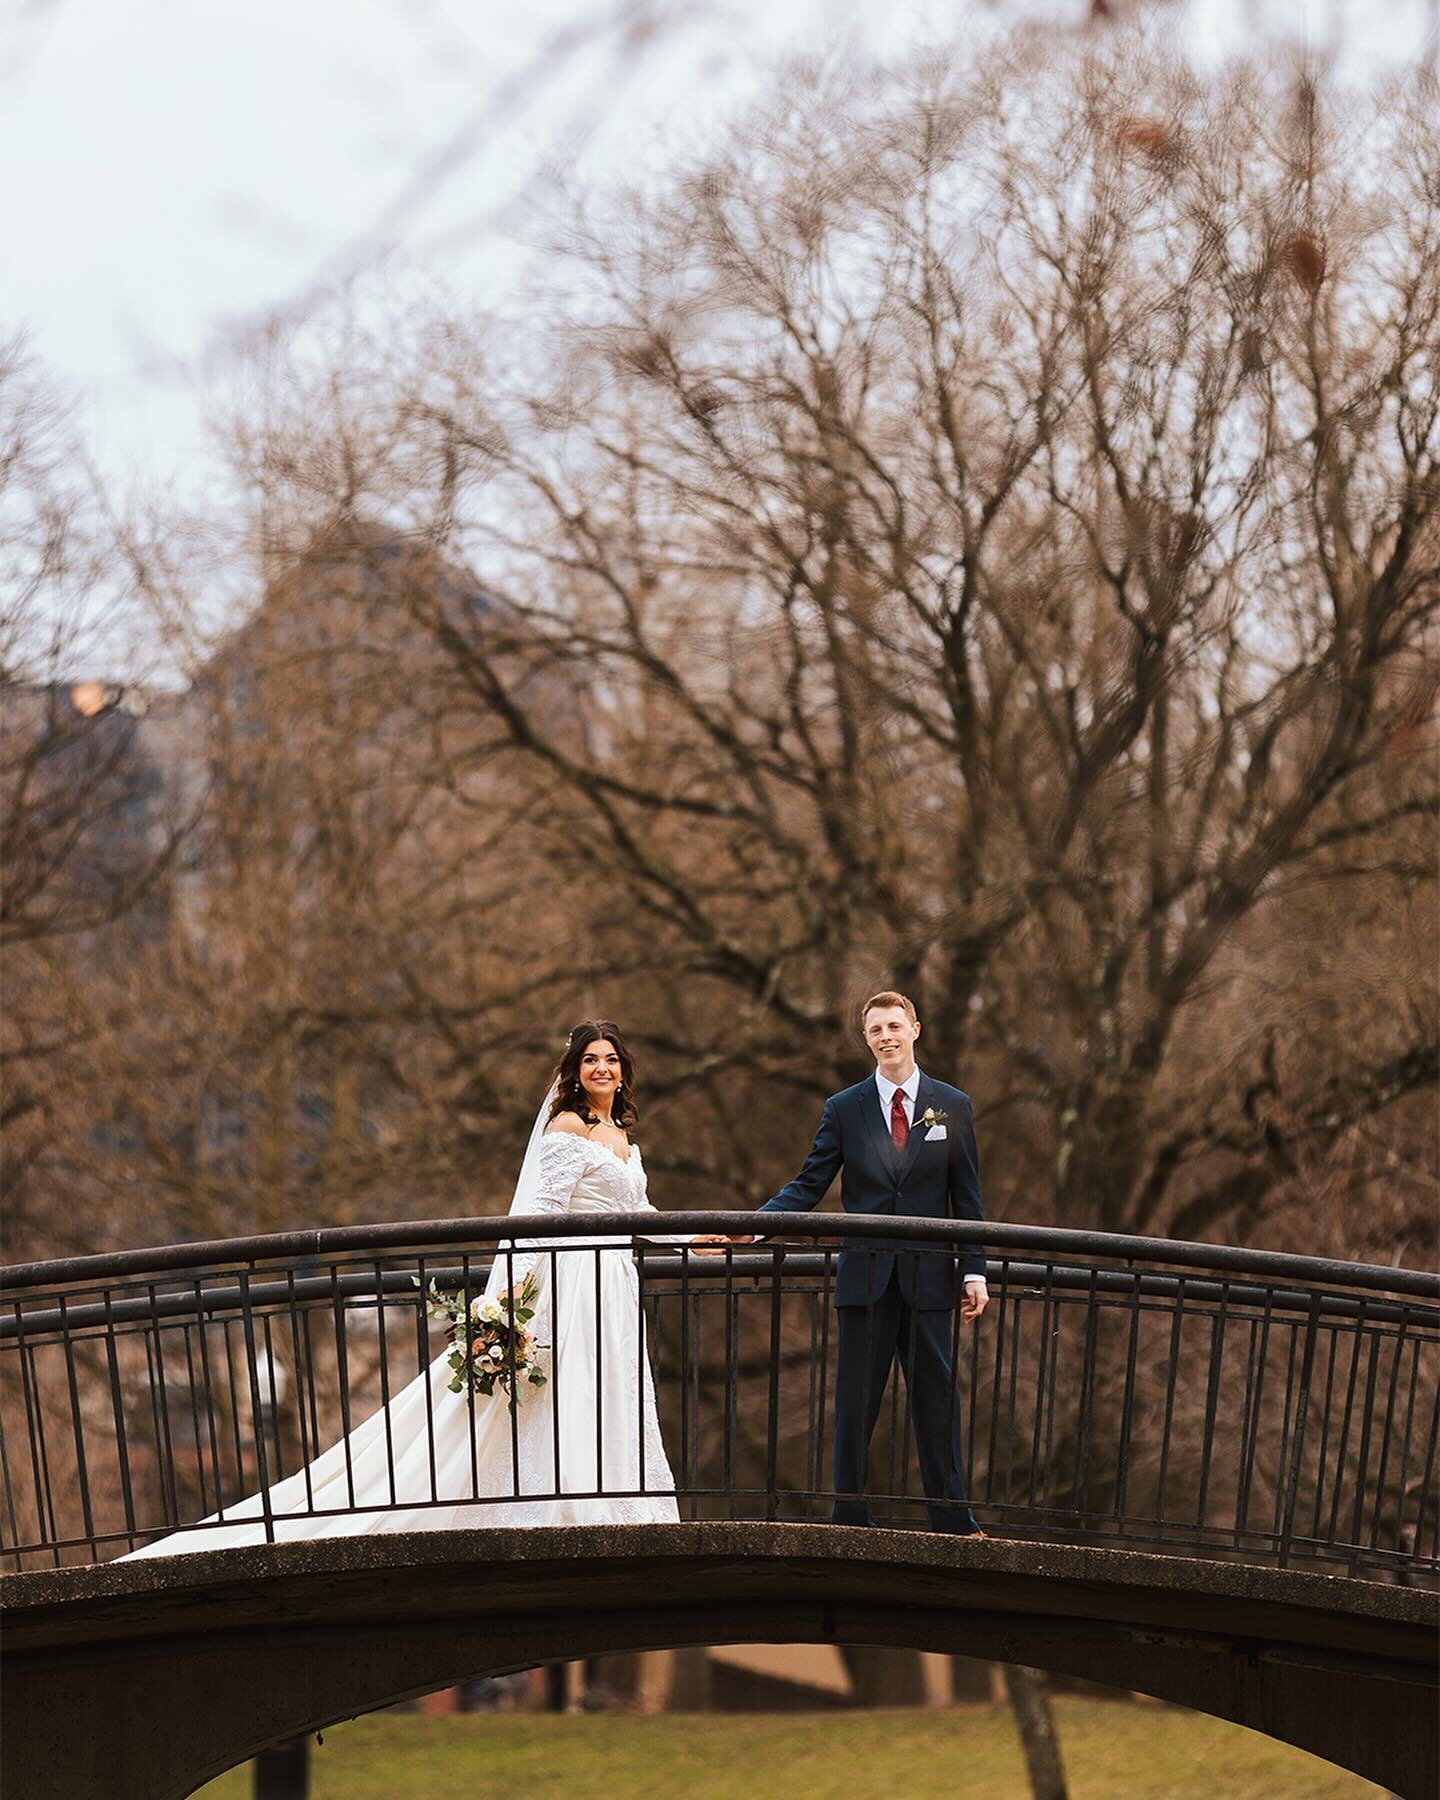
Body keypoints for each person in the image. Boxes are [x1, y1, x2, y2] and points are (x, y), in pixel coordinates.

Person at [122, 1022, 680, 1557]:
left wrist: (695, 1239)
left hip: (614, 1283)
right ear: (575, 1071)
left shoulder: (622, 1135)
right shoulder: (567, 1129)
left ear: (623, 1071)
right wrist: (507, 1301)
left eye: (610, 1060)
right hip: (570, 1278)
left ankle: (611, 1500)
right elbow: (542, 1215)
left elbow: (637, 1214)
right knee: (568, 1384)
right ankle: (562, 1508)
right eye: (590, 1060)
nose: (601, 1069)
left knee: (606, 1384)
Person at [697, 991, 988, 1534]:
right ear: (868, 1039)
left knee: (937, 1400)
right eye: (876, 1029)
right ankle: (850, 1513)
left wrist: (975, 1269)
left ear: (915, 1030)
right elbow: (807, 1187)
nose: (886, 1037)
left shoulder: (953, 1105)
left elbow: (966, 1198)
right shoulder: (845, 1108)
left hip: (930, 1278)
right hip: (866, 1277)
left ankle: (952, 1517)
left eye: (895, 1026)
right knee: (855, 1402)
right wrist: (751, 1227)